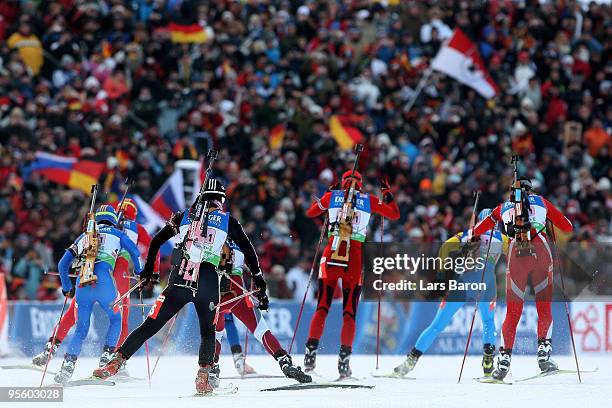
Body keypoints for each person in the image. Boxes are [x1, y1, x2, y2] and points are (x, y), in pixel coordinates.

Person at [93, 178, 305, 394]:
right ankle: (203, 377)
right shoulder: (226, 219)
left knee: (150, 325)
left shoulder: (183, 216)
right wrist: (259, 279)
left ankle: (114, 364)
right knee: (208, 332)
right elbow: (248, 250)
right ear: (220, 200)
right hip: (208, 280)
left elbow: (156, 241)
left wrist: (149, 272)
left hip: (180, 279)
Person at [31, 198, 157, 374]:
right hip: (116, 279)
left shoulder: (88, 233)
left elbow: (63, 264)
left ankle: (53, 353)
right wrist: (149, 272)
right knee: (120, 320)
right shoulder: (133, 229)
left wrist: (67, 286)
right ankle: (113, 359)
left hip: (85, 279)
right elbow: (151, 249)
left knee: (73, 321)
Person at [473, 177, 573, 380]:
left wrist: (474, 231)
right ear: (531, 190)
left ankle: (504, 360)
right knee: (544, 307)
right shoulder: (542, 201)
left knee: (513, 312)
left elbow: (478, 229)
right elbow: (568, 227)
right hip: (541, 248)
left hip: (515, 254)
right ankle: (544, 353)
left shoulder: (502, 207)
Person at [304, 170, 400, 378]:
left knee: (322, 306)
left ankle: (309, 357)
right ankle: (343, 363)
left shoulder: (332, 197)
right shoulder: (369, 200)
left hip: (331, 254)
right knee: (349, 312)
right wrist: (386, 191)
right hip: (353, 260)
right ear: (361, 184)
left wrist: (328, 196)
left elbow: (311, 213)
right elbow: (394, 214)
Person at [393, 209, 508, 378]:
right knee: (488, 322)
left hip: (462, 283)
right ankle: (488, 364)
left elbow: (445, 247)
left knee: (437, 325)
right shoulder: (502, 238)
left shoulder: (468, 233)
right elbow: (518, 252)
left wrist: (443, 274)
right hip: (486, 284)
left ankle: (409, 363)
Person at [54, 205, 143, 383]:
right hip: (105, 283)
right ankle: (106, 357)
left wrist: (66, 286)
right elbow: (134, 251)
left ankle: (67, 366)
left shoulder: (84, 236)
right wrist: (140, 271)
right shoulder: (118, 234)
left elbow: (62, 264)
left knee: (81, 328)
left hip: (82, 285)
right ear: (112, 219)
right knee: (116, 320)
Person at [213, 238, 311, 384]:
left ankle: (212, 368)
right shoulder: (240, 242)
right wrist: (260, 291)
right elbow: (255, 268)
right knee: (262, 331)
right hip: (238, 293)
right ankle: (284, 361)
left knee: (216, 333)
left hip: (217, 294)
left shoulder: (213, 239)